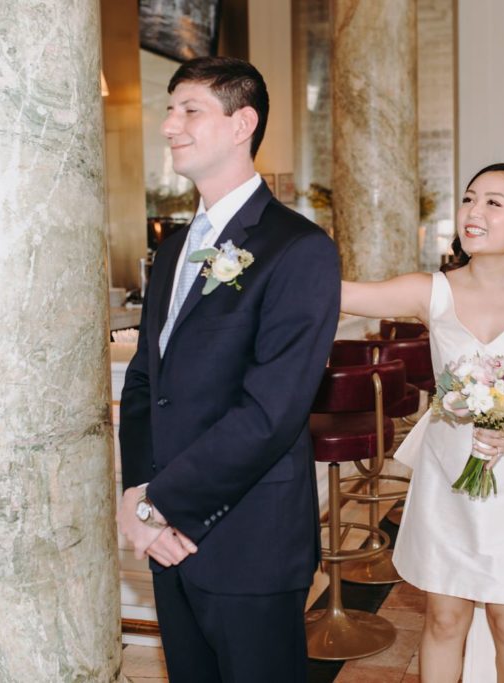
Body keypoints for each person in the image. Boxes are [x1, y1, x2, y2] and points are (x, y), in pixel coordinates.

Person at [117, 56, 340, 682]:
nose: (169, 126)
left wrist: (161, 504)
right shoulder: (172, 249)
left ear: (243, 123)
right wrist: (137, 496)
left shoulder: (299, 249)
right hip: (168, 537)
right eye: (169, 109)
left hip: (248, 540)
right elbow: (144, 385)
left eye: (190, 110)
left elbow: (272, 413)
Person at [342, 163, 504, 682]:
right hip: (447, 475)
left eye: (493, 203)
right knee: (444, 615)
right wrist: (265, 263)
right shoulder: (431, 291)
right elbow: (341, 293)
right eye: (469, 199)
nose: (473, 212)